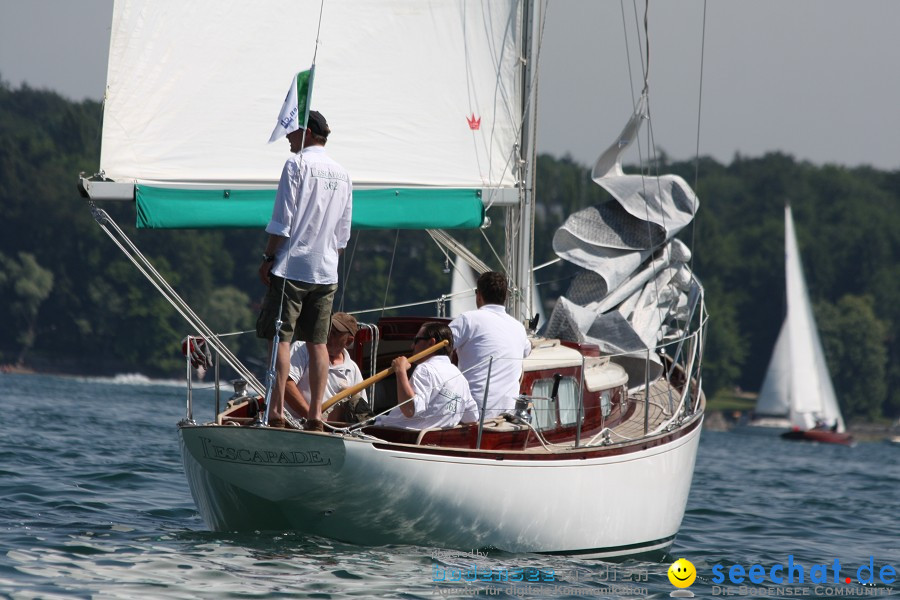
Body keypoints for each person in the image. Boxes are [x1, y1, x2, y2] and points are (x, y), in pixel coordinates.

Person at [256, 110, 353, 432]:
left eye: (291, 130)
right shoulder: (343, 173)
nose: (287, 136)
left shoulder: (296, 165)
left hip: (292, 266)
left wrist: (268, 258)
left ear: (308, 133)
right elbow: (342, 235)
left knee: (280, 340)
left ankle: (277, 410)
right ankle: (314, 415)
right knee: (318, 343)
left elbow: (282, 222)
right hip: (326, 271)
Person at [449, 271, 531, 418]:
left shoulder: (468, 320)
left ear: (479, 295)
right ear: (505, 297)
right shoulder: (519, 328)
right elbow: (527, 350)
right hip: (507, 413)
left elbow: (438, 349)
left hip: (473, 412)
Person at [377, 322, 480, 430]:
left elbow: (410, 410)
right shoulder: (460, 378)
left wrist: (400, 371)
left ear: (431, 343)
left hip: (395, 435)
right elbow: (472, 418)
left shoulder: (425, 369)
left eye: (416, 341)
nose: (412, 346)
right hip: (433, 440)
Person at [283, 312, 371, 427]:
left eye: (335, 333)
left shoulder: (352, 369)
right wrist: (312, 417)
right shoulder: (302, 348)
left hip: (330, 431)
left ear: (348, 341)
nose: (328, 335)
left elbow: (359, 408)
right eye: (327, 329)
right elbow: (285, 383)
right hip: (294, 424)